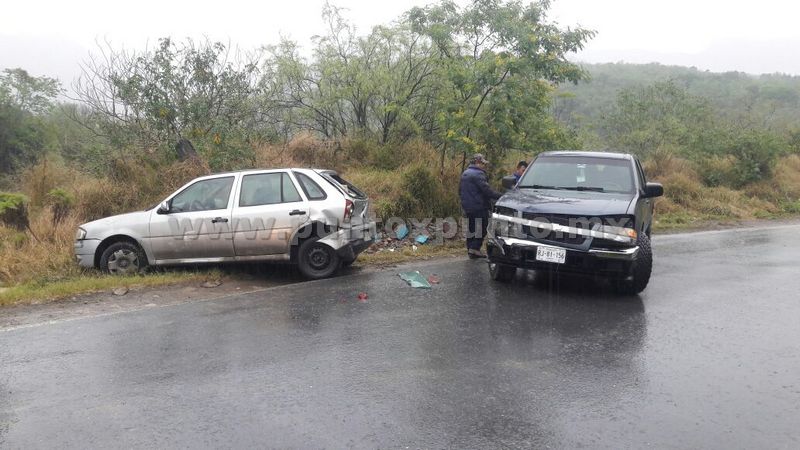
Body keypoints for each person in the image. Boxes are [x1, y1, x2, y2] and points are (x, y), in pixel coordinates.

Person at [459, 153, 502, 259]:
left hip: (467, 206)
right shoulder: (478, 174)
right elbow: (486, 191)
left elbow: (459, 191)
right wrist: (501, 196)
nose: (484, 166)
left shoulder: (465, 173)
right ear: (478, 163)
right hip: (478, 205)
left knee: (472, 227)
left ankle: (470, 248)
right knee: (483, 226)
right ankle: (475, 248)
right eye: (483, 163)